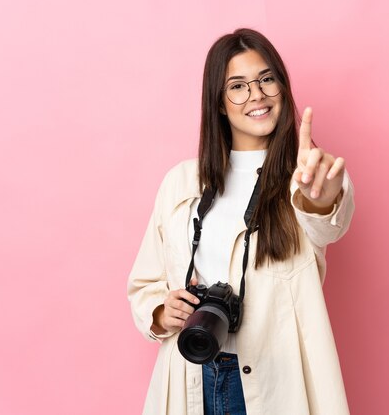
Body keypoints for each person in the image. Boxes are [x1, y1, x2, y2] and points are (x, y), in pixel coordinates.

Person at [127, 28, 354, 415]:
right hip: (191, 374)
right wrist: (167, 311)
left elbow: (326, 222)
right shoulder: (181, 181)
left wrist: (322, 198)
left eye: (267, 79)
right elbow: (144, 285)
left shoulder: (305, 175)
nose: (257, 95)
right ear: (219, 102)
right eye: (238, 86)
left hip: (274, 382)